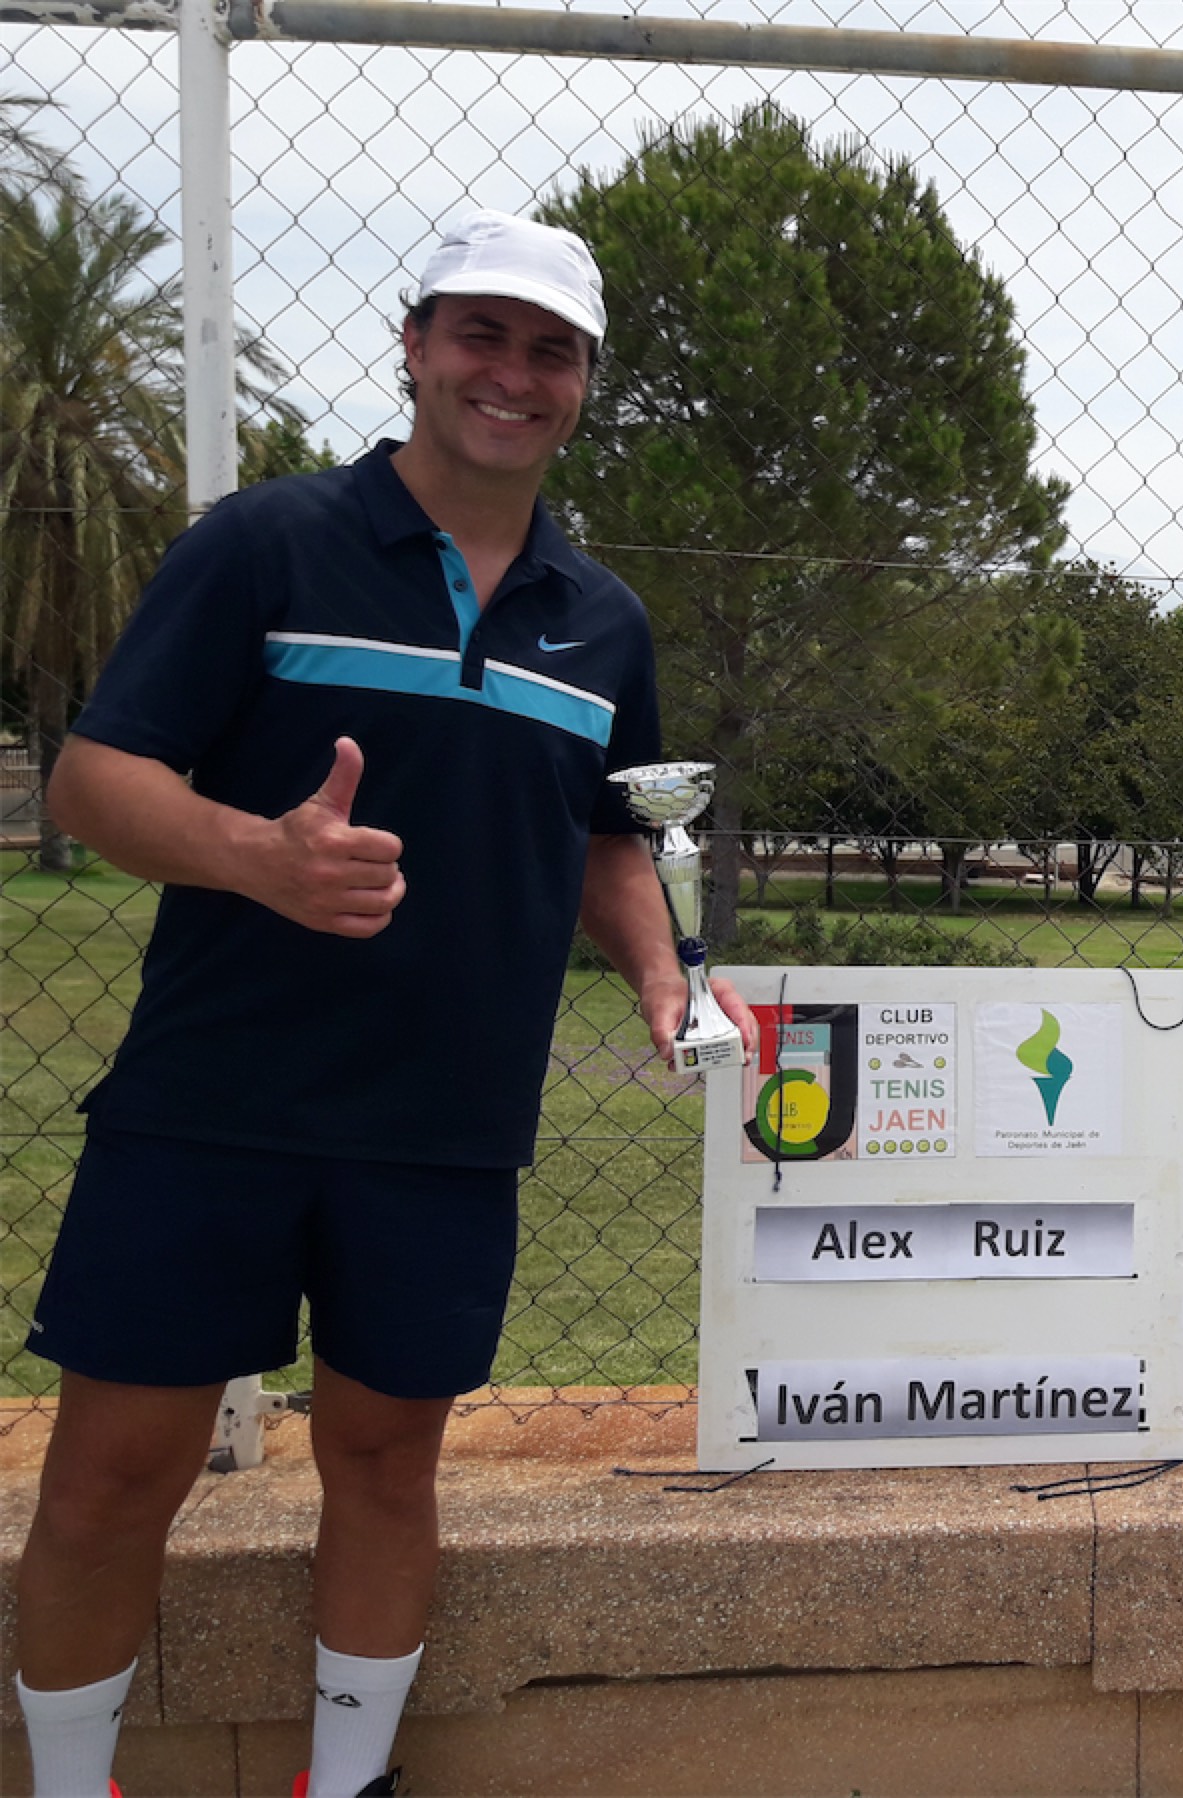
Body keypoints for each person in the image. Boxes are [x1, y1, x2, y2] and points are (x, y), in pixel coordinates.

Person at [12, 208, 754, 1798]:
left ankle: (341, 1787)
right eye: (480, 334)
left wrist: (662, 969)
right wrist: (259, 856)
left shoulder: (600, 618)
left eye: (550, 350)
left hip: (443, 1128)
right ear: (415, 346)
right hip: (209, 1103)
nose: (512, 375)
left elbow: (608, 834)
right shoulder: (266, 543)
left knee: (385, 1463)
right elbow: (92, 777)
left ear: (583, 384)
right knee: (109, 1479)